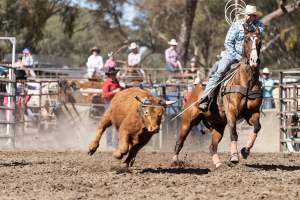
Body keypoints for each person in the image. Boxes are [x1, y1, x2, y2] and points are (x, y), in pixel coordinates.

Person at [198, 5, 264, 111]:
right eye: (248, 15)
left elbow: (258, 36)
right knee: (220, 72)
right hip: (232, 55)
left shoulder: (259, 26)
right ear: (245, 15)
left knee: (260, 79)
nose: (250, 17)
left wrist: (249, 26)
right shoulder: (236, 25)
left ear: (255, 16)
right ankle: (204, 98)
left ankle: (258, 104)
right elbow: (228, 43)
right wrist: (238, 56)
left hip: (250, 57)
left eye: (252, 15)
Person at [102, 67, 121, 148]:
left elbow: (119, 90)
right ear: (110, 75)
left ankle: (116, 143)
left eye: (115, 74)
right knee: (109, 124)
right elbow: (104, 95)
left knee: (117, 124)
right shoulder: (107, 83)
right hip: (109, 104)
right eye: (113, 74)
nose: (114, 75)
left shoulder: (116, 81)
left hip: (116, 104)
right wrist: (114, 92)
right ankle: (109, 144)